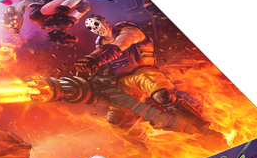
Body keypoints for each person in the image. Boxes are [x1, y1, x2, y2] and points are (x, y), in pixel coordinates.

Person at [76, 15, 218, 135]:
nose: (96, 28)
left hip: (143, 72)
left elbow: (120, 45)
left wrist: (93, 58)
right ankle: (142, 148)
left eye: (97, 23)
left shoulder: (127, 30)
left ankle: (206, 130)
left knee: (163, 96)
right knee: (115, 117)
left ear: (106, 21)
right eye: (92, 27)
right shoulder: (101, 43)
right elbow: (109, 67)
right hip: (123, 80)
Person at [2, 0, 90, 44]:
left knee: (84, 5)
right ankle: (57, 18)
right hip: (39, 14)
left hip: (48, 17)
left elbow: (79, 0)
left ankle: (59, 32)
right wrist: (16, 14)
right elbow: (23, 2)